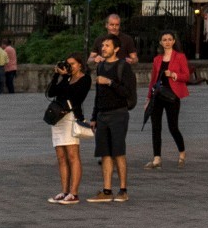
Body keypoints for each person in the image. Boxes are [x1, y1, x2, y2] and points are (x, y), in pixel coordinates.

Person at [87, 34, 136, 203]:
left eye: (107, 45)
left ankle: (123, 190)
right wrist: (94, 116)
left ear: (116, 49)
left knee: (118, 153)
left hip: (118, 114)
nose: (103, 48)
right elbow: (98, 95)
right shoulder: (100, 67)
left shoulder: (124, 67)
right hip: (102, 115)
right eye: (102, 45)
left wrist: (109, 82)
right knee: (105, 154)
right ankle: (106, 191)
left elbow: (127, 92)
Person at [46, 55, 90, 204]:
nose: (69, 67)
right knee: (61, 157)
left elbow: (73, 96)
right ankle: (64, 191)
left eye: (72, 64)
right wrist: (57, 75)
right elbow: (52, 93)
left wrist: (65, 78)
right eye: (68, 64)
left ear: (80, 65)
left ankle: (74, 193)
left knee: (72, 156)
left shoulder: (85, 79)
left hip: (71, 117)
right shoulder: (66, 78)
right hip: (58, 118)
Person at [143, 31, 191, 168]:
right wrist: (148, 99)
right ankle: (157, 158)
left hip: (172, 95)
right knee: (156, 127)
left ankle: (182, 153)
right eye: (164, 39)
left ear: (174, 41)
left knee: (173, 127)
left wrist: (173, 74)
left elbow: (186, 76)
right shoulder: (157, 59)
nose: (167, 42)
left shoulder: (180, 57)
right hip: (157, 95)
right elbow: (153, 80)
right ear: (160, 42)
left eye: (170, 39)